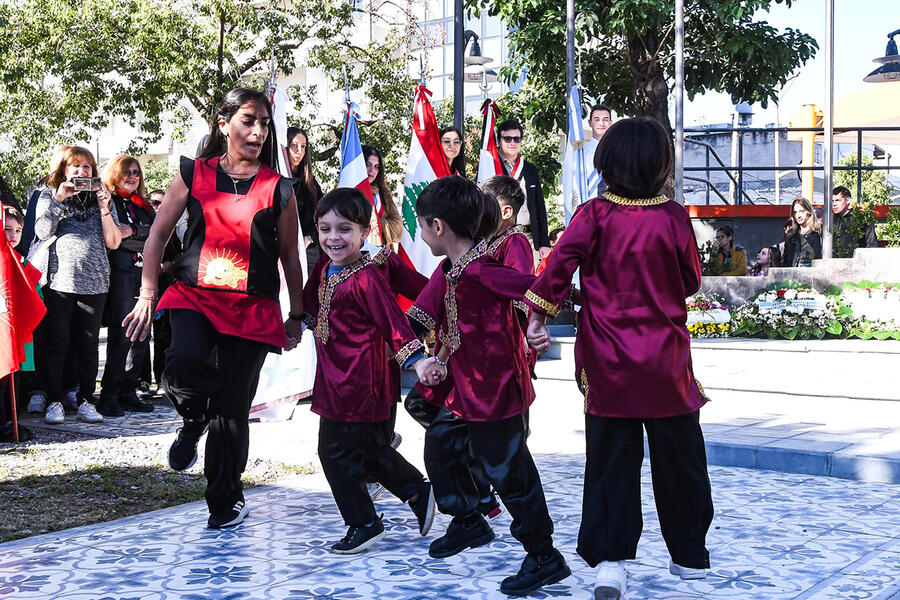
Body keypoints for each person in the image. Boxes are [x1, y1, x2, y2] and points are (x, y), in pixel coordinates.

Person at [525, 117, 714, 600]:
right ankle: (689, 555)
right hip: (666, 361)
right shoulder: (673, 216)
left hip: (607, 360)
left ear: (606, 160)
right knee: (682, 458)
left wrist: (538, 318)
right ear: (659, 163)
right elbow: (690, 280)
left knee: (611, 461)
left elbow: (556, 270)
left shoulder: (593, 215)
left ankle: (611, 563)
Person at [122, 88, 304, 529]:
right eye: (248, 120)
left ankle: (225, 501)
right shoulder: (192, 174)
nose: (258, 131)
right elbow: (157, 236)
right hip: (194, 296)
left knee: (232, 408)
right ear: (223, 124)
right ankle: (193, 415)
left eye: (264, 123)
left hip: (253, 307)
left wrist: (296, 315)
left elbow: (289, 257)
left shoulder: (280, 188)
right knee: (180, 365)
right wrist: (148, 294)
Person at [408, 175, 570, 597]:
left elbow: (538, 288)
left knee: (510, 475)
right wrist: (432, 358)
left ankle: (542, 554)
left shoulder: (482, 270)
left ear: (438, 227)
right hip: (464, 389)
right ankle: (467, 520)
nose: (420, 232)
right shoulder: (451, 270)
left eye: (421, 225)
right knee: (441, 442)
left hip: (497, 391)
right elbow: (420, 318)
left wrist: (539, 321)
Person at [302, 187, 438, 554]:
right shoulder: (327, 266)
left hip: (359, 380)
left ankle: (364, 522)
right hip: (337, 377)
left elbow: (394, 320)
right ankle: (416, 490)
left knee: (335, 453)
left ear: (365, 233)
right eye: (325, 228)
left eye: (345, 229)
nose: (333, 237)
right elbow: (309, 301)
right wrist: (294, 323)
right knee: (369, 449)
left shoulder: (366, 277)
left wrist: (417, 359)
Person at [31, 145, 122, 425]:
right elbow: (42, 231)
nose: (82, 172)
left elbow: (114, 242)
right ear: (64, 169)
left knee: (89, 344)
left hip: (95, 280)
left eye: (87, 168)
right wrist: (59, 198)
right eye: (76, 167)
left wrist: (105, 206)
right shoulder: (49, 194)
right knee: (57, 341)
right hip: (59, 279)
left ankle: (85, 400)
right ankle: (55, 400)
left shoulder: (103, 198)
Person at [97, 156, 156, 416]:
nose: (132, 177)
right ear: (115, 174)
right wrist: (140, 235)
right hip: (121, 273)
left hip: (145, 275)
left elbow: (158, 235)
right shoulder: (109, 201)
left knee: (142, 336)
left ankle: (129, 389)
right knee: (121, 335)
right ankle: (110, 394)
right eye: (126, 172)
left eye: (136, 173)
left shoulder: (143, 204)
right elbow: (114, 240)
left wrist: (132, 231)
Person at [496, 119, 551, 258]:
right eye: (507, 139)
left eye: (516, 139)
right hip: (500, 238)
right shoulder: (491, 166)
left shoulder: (530, 169)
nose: (512, 143)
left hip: (529, 238)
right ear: (499, 141)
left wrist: (544, 242)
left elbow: (539, 206)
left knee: (528, 279)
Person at [286, 127, 323, 272]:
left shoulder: (311, 185)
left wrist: (309, 238)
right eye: (294, 145)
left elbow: (321, 215)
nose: (299, 151)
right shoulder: (273, 178)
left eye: (303, 147)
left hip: (308, 250)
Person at [362, 145, 402, 248]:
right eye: (367, 165)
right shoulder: (345, 191)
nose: (372, 170)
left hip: (381, 252)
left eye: (376, 167)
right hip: (353, 253)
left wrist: (377, 224)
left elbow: (397, 224)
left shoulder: (383, 193)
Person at [832, 186, 878, 258]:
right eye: (832, 201)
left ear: (848, 201)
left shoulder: (862, 220)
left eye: (838, 200)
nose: (834, 204)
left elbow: (871, 244)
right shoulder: (829, 221)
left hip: (856, 262)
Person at [783, 197, 822, 267]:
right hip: (792, 274)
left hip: (812, 274)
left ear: (808, 211)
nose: (798, 216)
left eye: (801, 211)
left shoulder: (819, 232)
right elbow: (786, 259)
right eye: (795, 212)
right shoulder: (791, 234)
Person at [583, 104, 613, 198]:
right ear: (589, 122)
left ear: (610, 122)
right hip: (588, 203)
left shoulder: (620, 150)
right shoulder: (581, 151)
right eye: (596, 119)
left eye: (605, 119)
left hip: (615, 204)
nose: (601, 123)